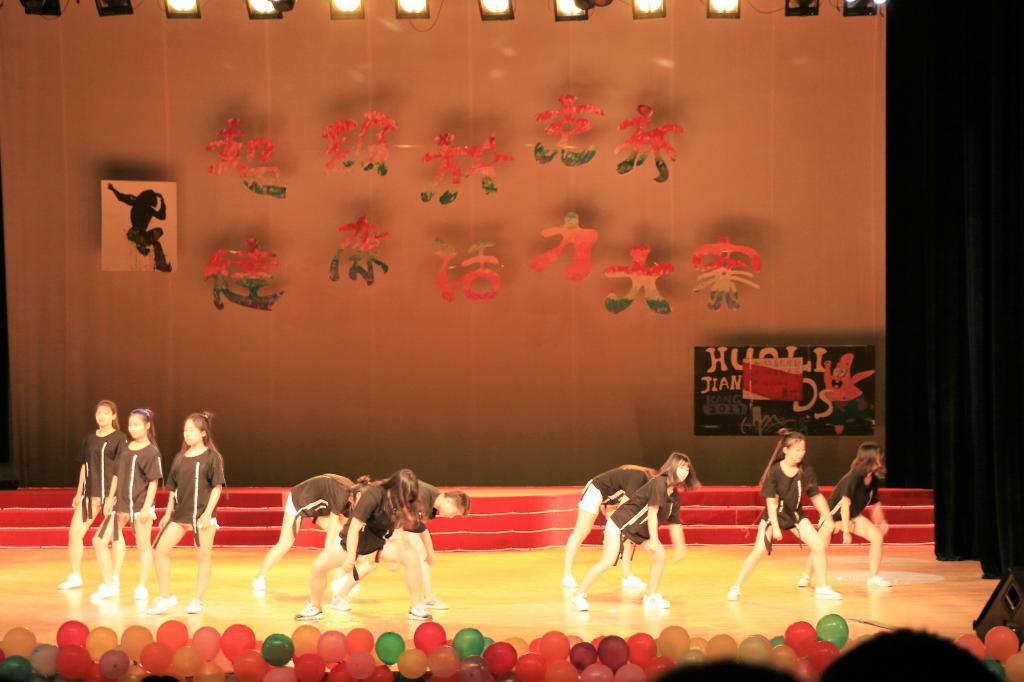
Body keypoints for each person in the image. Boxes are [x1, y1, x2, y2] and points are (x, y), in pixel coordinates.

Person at [295, 469, 431, 622]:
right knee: (318, 567)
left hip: (379, 544)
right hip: (351, 541)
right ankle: (315, 608)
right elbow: (354, 528)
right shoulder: (374, 494)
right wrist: (350, 559)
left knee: (411, 555)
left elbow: (415, 528)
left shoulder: (405, 504)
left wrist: (429, 554)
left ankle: (416, 607)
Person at [572, 452, 699, 611]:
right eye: (681, 467)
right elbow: (652, 513)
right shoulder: (659, 483)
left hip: (638, 530)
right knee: (607, 561)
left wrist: (681, 548)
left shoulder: (674, 496)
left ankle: (650, 597)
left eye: (687, 469)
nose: (684, 472)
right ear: (672, 467)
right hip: (620, 524)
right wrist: (654, 540)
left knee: (660, 555)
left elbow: (675, 523)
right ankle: (578, 595)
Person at [727, 430, 841, 601]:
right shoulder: (774, 471)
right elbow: (771, 502)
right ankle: (736, 586)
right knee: (758, 552)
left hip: (795, 516)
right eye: (797, 449)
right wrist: (775, 527)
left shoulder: (806, 470)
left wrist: (829, 519)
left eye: (803, 449)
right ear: (786, 450)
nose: (801, 453)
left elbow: (816, 496)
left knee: (818, 545)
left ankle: (823, 587)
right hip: (773, 517)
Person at [331, 481, 471, 611]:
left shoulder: (432, 498)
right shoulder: (423, 497)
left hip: (387, 523)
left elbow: (418, 527)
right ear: (448, 501)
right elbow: (399, 510)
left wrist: (429, 552)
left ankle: (340, 596)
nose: (451, 516)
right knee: (373, 562)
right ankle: (340, 596)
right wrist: (397, 540)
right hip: (377, 523)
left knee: (378, 562)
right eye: (454, 513)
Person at [148, 412, 226, 615]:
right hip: (181, 514)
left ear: (203, 433)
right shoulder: (180, 457)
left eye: (191, 430)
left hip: (202, 515)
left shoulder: (212, 457)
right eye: (185, 430)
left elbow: (217, 487)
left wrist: (207, 514)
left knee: (203, 556)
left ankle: (197, 600)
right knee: (158, 550)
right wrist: (168, 513)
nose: (187, 434)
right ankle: (166, 597)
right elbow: (173, 488)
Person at [91, 408, 163, 602]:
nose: (132, 428)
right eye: (130, 425)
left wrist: (146, 508)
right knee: (99, 540)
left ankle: (142, 586)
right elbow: (116, 474)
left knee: (143, 545)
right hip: (120, 504)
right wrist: (110, 498)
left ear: (147, 426)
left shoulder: (151, 452)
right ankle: (109, 583)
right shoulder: (125, 448)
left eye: (137, 425)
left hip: (140, 505)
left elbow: (153, 482)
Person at [798, 442, 892, 589]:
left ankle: (873, 577)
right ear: (870, 458)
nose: (881, 458)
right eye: (879, 456)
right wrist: (846, 532)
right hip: (832, 516)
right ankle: (806, 576)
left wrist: (882, 521)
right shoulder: (854, 476)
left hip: (852, 516)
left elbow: (875, 503)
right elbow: (844, 505)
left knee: (877, 537)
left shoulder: (873, 479)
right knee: (820, 545)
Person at [59, 400, 129, 591]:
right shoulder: (90, 438)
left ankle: (114, 577)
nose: (102, 416)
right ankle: (75, 575)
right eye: (99, 413)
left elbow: (120, 470)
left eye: (106, 413)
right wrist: (79, 492)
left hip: (111, 496)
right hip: (91, 495)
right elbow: (84, 466)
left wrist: (111, 497)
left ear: (114, 415)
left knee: (115, 536)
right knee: (74, 534)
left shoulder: (120, 438)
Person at [253, 473, 355, 592]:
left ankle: (341, 579)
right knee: (285, 543)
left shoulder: (352, 499)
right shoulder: (341, 494)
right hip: (299, 499)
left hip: (320, 504)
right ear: (356, 496)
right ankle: (259, 578)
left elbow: (348, 532)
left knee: (341, 536)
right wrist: (326, 561)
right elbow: (331, 534)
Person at [562, 465, 657, 590]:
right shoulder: (640, 478)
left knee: (625, 534)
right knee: (581, 532)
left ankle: (627, 576)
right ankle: (567, 575)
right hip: (596, 490)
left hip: (612, 498)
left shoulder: (646, 485)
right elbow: (624, 507)